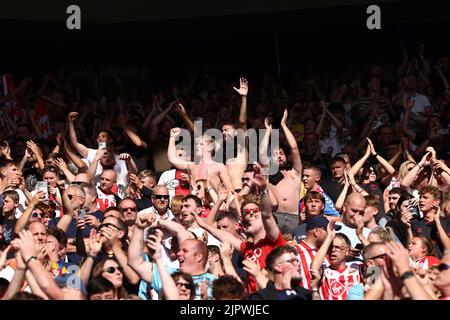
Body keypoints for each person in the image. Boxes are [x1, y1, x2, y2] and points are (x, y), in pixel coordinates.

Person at [259, 110, 303, 233]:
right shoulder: (268, 172)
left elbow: (294, 148)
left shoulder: (295, 172)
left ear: (286, 156)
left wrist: (284, 125)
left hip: (294, 217)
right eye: (274, 154)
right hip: (275, 216)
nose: (279, 156)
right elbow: (261, 153)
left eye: (281, 153)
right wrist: (267, 132)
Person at [310, 223, 362, 300]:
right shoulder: (324, 271)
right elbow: (314, 268)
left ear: (347, 251)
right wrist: (329, 238)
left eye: (337, 247)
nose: (333, 250)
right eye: (330, 247)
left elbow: (375, 265)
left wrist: (360, 236)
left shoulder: (357, 268)